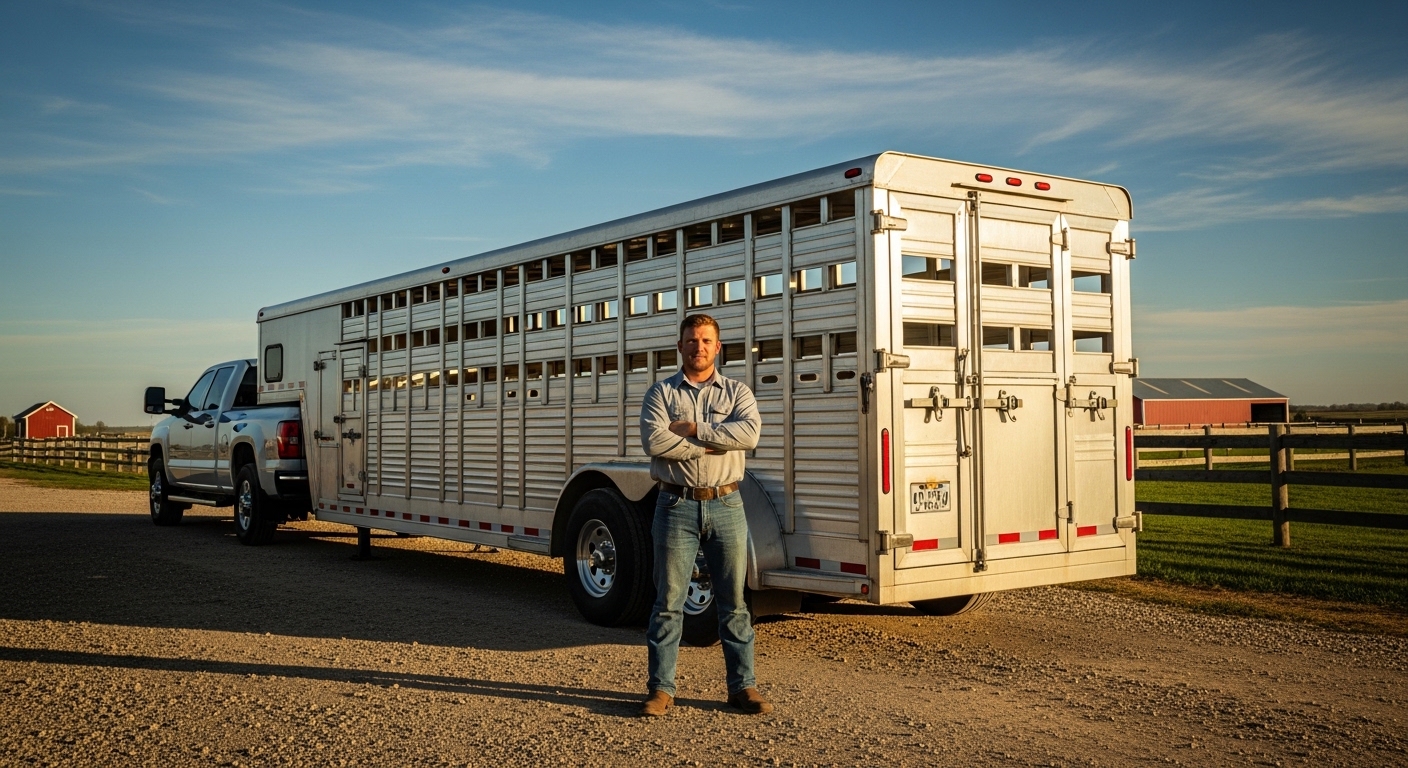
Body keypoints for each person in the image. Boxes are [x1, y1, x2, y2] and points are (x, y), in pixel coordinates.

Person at [637, 314, 771, 717]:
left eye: (706, 340)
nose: (698, 347)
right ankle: (661, 690)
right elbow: (655, 442)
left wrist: (693, 428)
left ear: (718, 347)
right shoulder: (660, 393)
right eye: (691, 340)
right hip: (675, 505)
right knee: (668, 603)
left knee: (734, 603)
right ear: (680, 346)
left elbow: (749, 435)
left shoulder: (738, 391)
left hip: (727, 504)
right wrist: (713, 443)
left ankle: (742, 688)